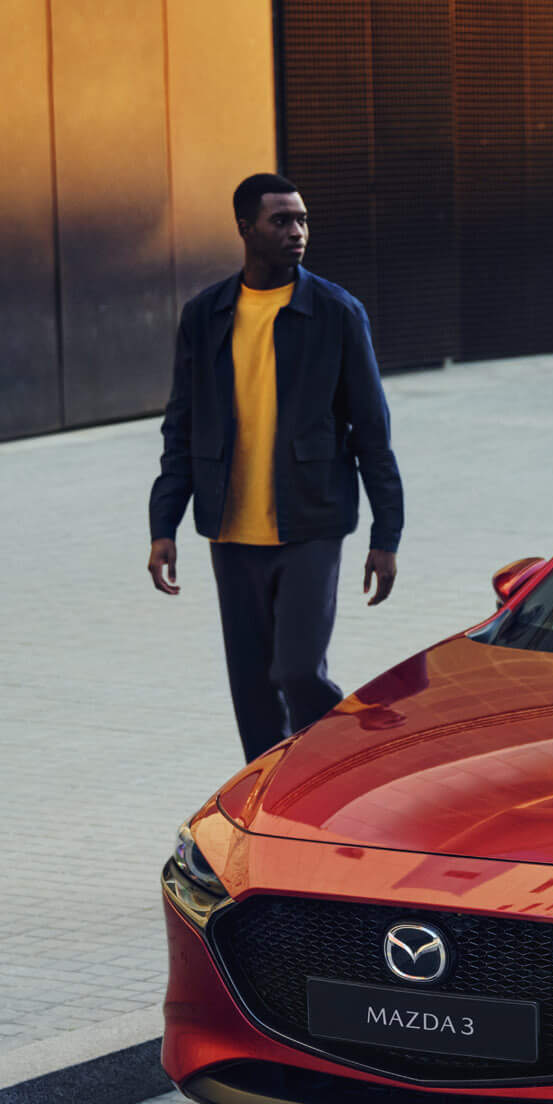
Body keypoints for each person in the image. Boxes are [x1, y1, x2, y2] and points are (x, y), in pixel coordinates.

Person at [146, 173, 404, 763]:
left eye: (303, 220)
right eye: (281, 221)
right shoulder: (206, 315)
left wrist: (385, 535)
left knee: (296, 670)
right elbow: (181, 423)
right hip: (231, 530)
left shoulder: (337, 313)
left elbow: (372, 429)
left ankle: (346, 757)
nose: (297, 232)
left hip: (310, 522)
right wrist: (164, 524)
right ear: (245, 227)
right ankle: (268, 795)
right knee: (252, 687)